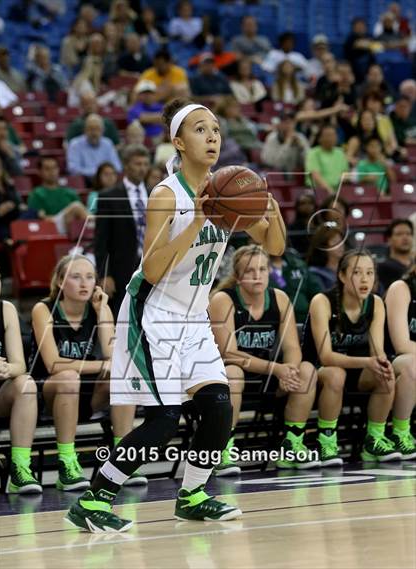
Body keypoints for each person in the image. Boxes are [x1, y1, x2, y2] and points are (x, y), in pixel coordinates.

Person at [67, 98, 286, 532]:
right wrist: (197, 220)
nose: (212, 138)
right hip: (151, 312)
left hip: (192, 316)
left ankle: (193, 493)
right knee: (165, 420)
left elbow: (275, 246)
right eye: (201, 130)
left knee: (220, 406)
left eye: (217, 131)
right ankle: (94, 498)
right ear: (178, 142)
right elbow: (150, 267)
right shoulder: (165, 195)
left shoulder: (227, 192)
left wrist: (271, 208)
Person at [31, 255, 137, 491]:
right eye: (75, 277)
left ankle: (123, 459)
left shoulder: (97, 308)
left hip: (86, 393)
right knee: (69, 377)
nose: (84, 284)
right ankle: (67, 463)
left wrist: (102, 312)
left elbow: (113, 354)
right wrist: (101, 366)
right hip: (47, 393)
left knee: (122, 377)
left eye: (89, 277)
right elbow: (53, 364)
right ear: (59, 282)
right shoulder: (44, 309)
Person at [209, 245, 319, 474]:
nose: (257, 275)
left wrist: (289, 370)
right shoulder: (223, 299)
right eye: (250, 271)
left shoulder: (279, 298)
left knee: (307, 370)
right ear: (238, 277)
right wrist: (276, 369)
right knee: (233, 373)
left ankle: (293, 444)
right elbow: (228, 353)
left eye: (262, 269)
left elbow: (291, 346)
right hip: (228, 374)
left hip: (268, 376)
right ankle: (223, 448)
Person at [302, 249, 399, 465]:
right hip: (315, 374)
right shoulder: (322, 301)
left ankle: (374, 439)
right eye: (357, 272)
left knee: (386, 373)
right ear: (342, 276)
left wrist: (381, 363)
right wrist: (367, 362)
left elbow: (377, 351)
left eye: (370, 272)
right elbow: (326, 356)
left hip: (355, 373)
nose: (365, 279)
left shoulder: (375, 303)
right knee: (336, 374)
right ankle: (326, 441)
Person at [0, 263, 41, 494]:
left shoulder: (6, 309)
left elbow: (19, 365)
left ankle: (20, 469)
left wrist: (7, 370)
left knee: (26, 383)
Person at [94, 144, 151, 318]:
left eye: (145, 164)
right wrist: (105, 274)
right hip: (121, 269)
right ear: (126, 166)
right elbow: (101, 240)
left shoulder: (156, 193)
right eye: (137, 164)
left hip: (151, 265)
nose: (142, 168)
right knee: (122, 319)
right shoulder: (108, 196)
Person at [385, 265, 416, 459]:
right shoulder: (401, 288)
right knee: (413, 364)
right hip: (391, 360)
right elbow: (401, 344)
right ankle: (400, 432)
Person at [28, 157, 88, 235]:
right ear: (39, 172)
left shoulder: (69, 192)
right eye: (47, 169)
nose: (52, 172)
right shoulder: (36, 194)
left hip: (73, 226)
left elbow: (81, 215)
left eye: (54, 168)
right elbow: (37, 218)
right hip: (51, 227)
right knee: (76, 207)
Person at [67, 114, 122, 180]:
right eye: (91, 129)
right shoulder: (75, 144)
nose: (94, 133)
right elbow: (73, 169)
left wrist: (103, 174)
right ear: (85, 130)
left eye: (97, 129)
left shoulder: (108, 143)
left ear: (102, 130)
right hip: (85, 180)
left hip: (107, 181)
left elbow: (117, 167)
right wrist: (99, 174)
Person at [305, 124, 349, 194]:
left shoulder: (340, 153)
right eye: (328, 135)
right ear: (320, 138)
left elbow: (345, 173)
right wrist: (330, 191)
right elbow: (315, 175)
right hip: (317, 190)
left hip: (338, 191)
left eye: (334, 135)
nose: (332, 138)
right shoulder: (313, 153)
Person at [378, 219, 414, 292]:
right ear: (389, 239)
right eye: (399, 234)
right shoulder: (381, 268)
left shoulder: (413, 263)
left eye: (408, 234)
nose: (405, 238)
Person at [306, 225, 346, 292]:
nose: (340, 245)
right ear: (324, 245)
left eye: (341, 241)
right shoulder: (315, 274)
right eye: (335, 241)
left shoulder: (349, 268)